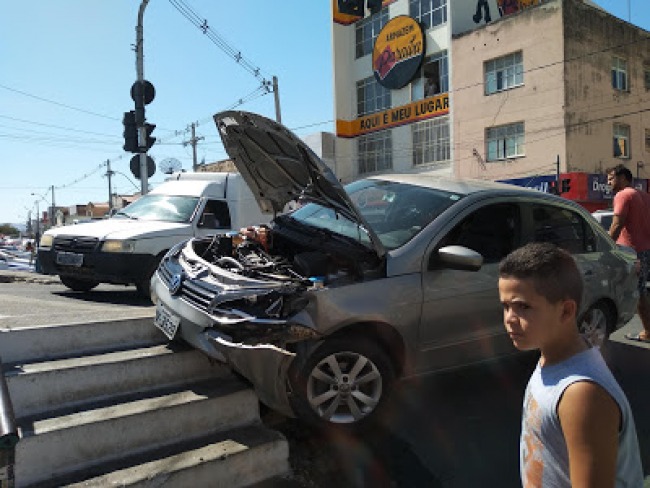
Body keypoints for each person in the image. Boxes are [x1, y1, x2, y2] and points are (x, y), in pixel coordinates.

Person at [498, 242, 643, 487]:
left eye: (523, 307)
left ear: (566, 311)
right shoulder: (551, 356)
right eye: (506, 306)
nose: (510, 319)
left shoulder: (582, 394)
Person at [607, 164, 650, 343]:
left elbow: (617, 224)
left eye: (611, 178)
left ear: (623, 178)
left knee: (638, 292)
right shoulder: (643, 195)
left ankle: (648, 332)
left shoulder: (623, 195)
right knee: (643, 291)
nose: (608, 182)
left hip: (631, 253)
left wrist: (607, 245)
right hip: (645, 249)